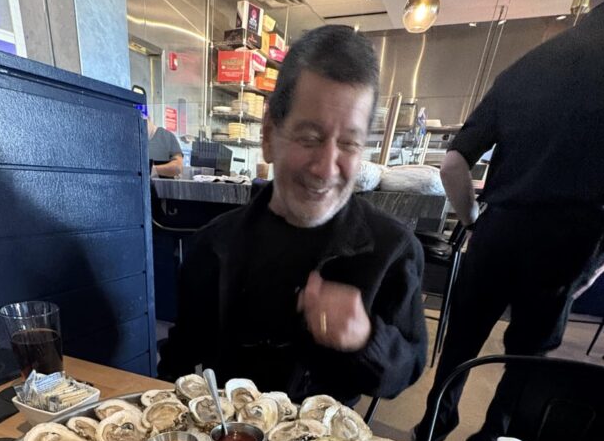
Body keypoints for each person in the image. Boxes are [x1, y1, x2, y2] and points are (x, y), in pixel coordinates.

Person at [158, 26, 427, 405]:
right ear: (269, 136)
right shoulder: (210, 246)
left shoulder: (393, 250)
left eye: (348, 144)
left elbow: (407, 371)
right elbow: (183, 355)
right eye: (310, 137)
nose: (326, 168)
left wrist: (366, 338)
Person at [414, 0, 604, 441]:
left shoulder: (529, 65)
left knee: (461, 340)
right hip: (570, 238)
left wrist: (475, 220)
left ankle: (433, 423)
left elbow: (453, 164)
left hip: (498, 229)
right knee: (523, 357)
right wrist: (598, 263)